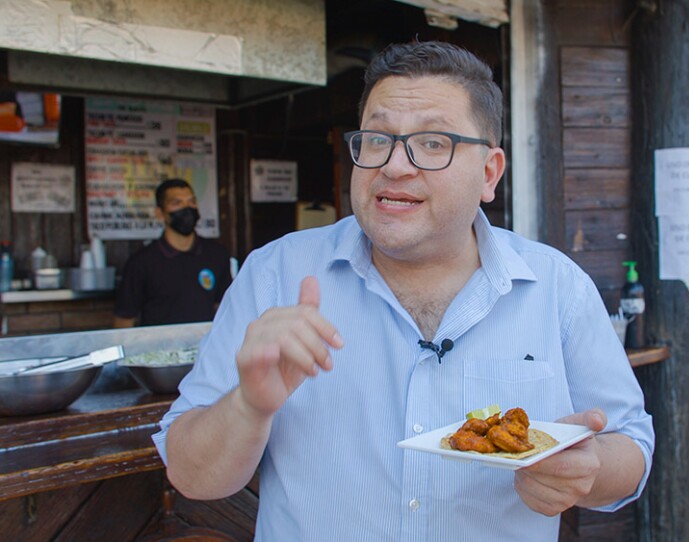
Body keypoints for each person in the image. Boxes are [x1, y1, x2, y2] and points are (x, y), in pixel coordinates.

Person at [154, 41, 654, 541]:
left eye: (433, 143)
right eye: (377, 138)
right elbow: (191, 476)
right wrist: (249, 406)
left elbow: (629, 446)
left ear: (489, 173)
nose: (394, 166)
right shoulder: (275, 275)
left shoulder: (556, 287)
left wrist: (586, 472)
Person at [113, 178, 232, 327]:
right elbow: (124, 320)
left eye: (191, 202)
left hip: (206, 347)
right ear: (160, 213)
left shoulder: (216, 255)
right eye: (177, 203)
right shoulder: (142, 263)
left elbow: (225, 309)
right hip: (158, 348)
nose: (187, 208)